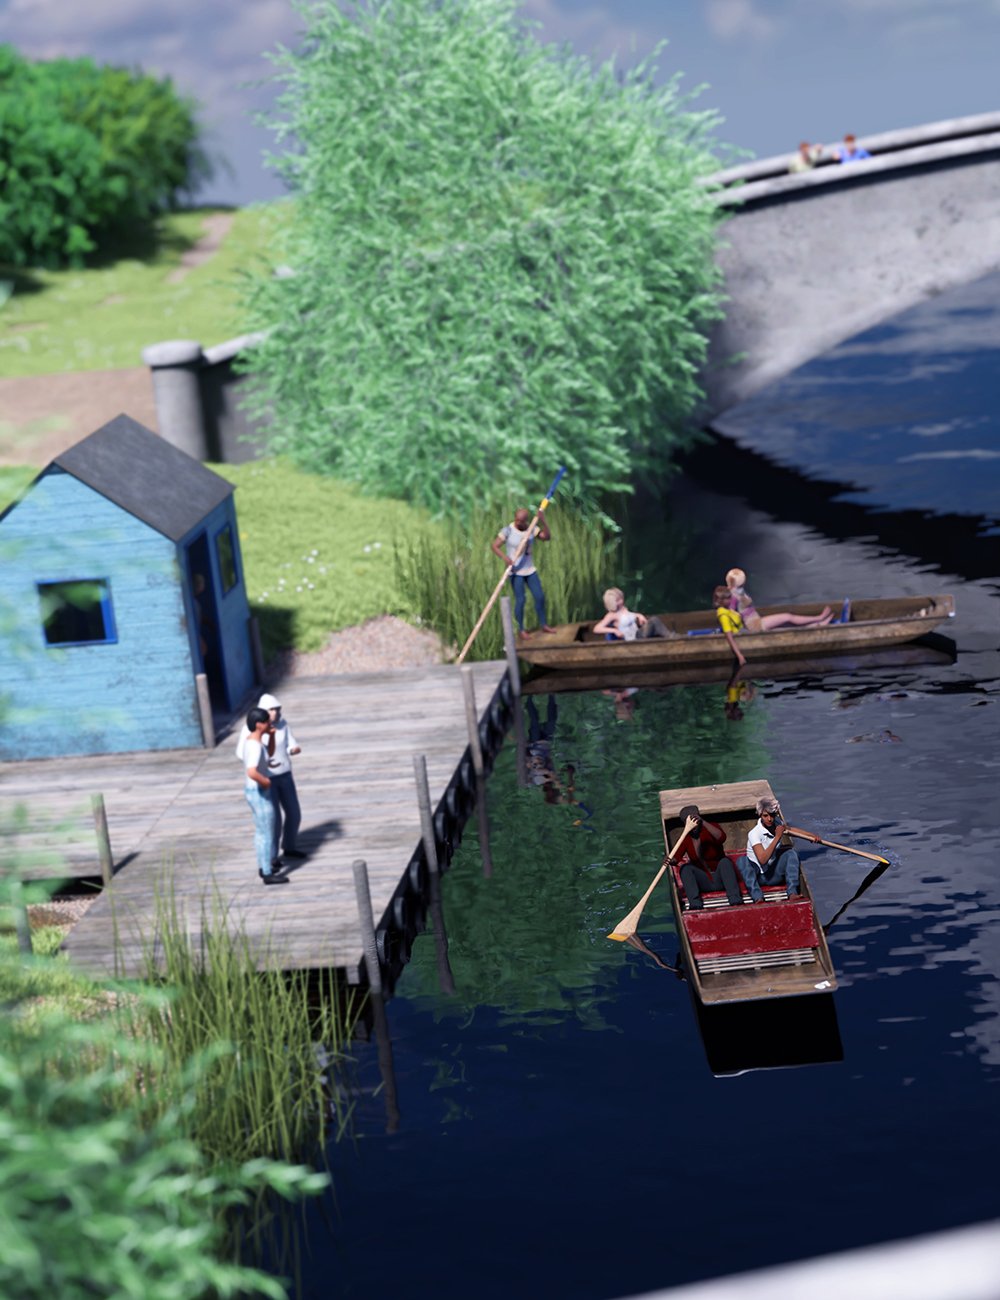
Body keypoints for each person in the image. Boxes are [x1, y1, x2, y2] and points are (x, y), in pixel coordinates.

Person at [237, 692, 306, 865]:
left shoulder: (282, 725)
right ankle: (272, 857)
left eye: (277, 709)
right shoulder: (251, 730)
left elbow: (290, 744)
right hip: (268, 778)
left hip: (285, 773)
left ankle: (289, 845)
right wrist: (260, 764)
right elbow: (242, 753)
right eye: (271, 710)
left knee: (294, 813)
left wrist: (293, 749)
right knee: (273, 819)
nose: (275, 714)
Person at [740, 795, 819, 903]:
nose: (769, 819)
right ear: (760, 815)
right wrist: (777, 837)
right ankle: (758, 897)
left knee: (791, 853)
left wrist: (811, 836)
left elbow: (791, 830)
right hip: (758, 877)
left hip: (772, 875)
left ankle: (792, 893)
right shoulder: (754, 834)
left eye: (772, 815)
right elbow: (762, 859)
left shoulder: (777, 823)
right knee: (743, 861)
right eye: (765, 816)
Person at [725, 568, 834, 645]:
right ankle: (819, 618)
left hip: (756, 621)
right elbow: (731, 615)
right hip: (755, 626)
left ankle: (818, 624)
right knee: (788, 617)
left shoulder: (739, 592)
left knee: (789, 625)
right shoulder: (733, 596)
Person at [491, 507, 555, 636]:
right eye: (517, 520)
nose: (518, 523)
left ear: (526, 520)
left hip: (530, 570)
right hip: (515, 572)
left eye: (521, 521)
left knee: (539, 597)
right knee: (521, 600)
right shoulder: (508, 530)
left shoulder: (531, 529)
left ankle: (544, 624)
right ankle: (521, 629)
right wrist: (506, 558)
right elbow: (494, 545)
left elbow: (546, 537)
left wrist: (543, 521)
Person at [666, 805, 744, 909]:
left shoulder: (710, 828)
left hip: (721, 878)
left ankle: (735, 900)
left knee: (725, 862)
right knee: (685, 868)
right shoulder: (686, 838)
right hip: (704, 881)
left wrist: (702, 822)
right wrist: (670, 860)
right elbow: (676, 858)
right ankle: (695, 905)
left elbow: (722, 837)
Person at [242, 707, 287, 886]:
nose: (270, 723)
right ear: (258, 725)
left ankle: (263, 865)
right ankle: (267, 872)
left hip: (252, 792)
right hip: (259, 792)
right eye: (267, 721)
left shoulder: (253, 742)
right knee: (267, 831)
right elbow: (252, 771)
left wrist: (273, 735)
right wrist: (266, 782)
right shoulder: (254, 746)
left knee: (261, 831)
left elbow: (268, 754)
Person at [592, 588, 674, 642]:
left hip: (638, 633)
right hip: (633, 639)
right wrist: (614, 630)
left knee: (654, 624)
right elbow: (596, 628)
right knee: (654, 620)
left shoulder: (624, 609)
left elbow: (631, 615)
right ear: (613, 602)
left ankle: (671, 636)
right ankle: (671, 637)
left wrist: (639, 616)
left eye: (621, 598)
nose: (622, 600)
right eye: (618, 600)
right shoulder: (611, 615)